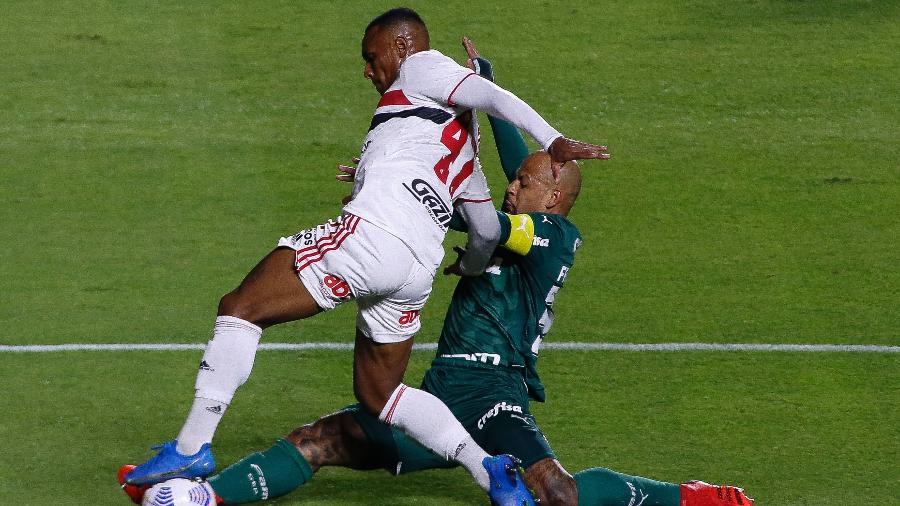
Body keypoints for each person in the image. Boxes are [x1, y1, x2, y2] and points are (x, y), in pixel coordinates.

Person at [119, 39, 752, 506]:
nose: (511, 188)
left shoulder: (553, 234)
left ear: (553, 192)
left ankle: (696, 498)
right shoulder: (530, 204)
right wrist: (440, 145)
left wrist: (435, 186)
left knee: (558, 494)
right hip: (442, 392)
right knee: (323, 439)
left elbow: (497, 228)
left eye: (525, 183)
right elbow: (502, 188)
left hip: (491, 391)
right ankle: (201, 499)